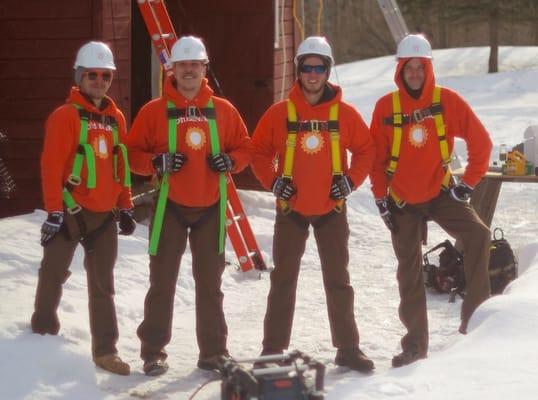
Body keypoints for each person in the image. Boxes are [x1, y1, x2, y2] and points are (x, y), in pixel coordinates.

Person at [127, 36, 252, 376]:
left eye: (195, 65)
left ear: (204, 69)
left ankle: (214, 353)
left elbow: (245, 147)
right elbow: (132, 155)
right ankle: (153, 350)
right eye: (183, 65)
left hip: (211, 207)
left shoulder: (223, 110)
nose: (189, 71)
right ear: (173, 69)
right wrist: (157, 161)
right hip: (170, 206)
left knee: (210, 285)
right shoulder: (154, 111)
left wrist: (231, 161)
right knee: (162, 282)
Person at [251, 36, 376, 373]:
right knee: (283, 280)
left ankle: (348, 348)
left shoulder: (344, 114)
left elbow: (366, 150)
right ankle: (272, 348)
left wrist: (350, 180)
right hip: (291, 212)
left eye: (320, 67)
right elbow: (259, 152)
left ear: (328, 71)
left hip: (331, 211)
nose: (313, 73)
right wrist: (273, 181)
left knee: (339, 280)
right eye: (307, 66)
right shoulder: (280, 113)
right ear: (299, 70)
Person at [369, 34, 492, 367]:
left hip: (440, 191)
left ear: (428, 69)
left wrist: (467, 184)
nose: (414, 74)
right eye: (408, 68)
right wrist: (381, 199)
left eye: (419, 68)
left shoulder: (447, 101)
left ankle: (477, 327)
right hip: (403, 200)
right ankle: (415, 345)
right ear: (400, 70)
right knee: (408, 269)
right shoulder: (385, 108)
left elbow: (482, 143)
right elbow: (376, 161)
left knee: (479, 235)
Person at [32, 41, 135, 375]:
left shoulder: (116, 117)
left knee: (103, 285)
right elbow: (50, 165)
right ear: (80, 76)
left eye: (105, 75)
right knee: (53, 274)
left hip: (104, 216)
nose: (99, 80)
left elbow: (122, 165)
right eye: (92, 74)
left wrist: (126, 205)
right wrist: (53, 211)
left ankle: (106, 352)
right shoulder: (66, 116)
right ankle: (41, 334)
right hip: (70, 211)